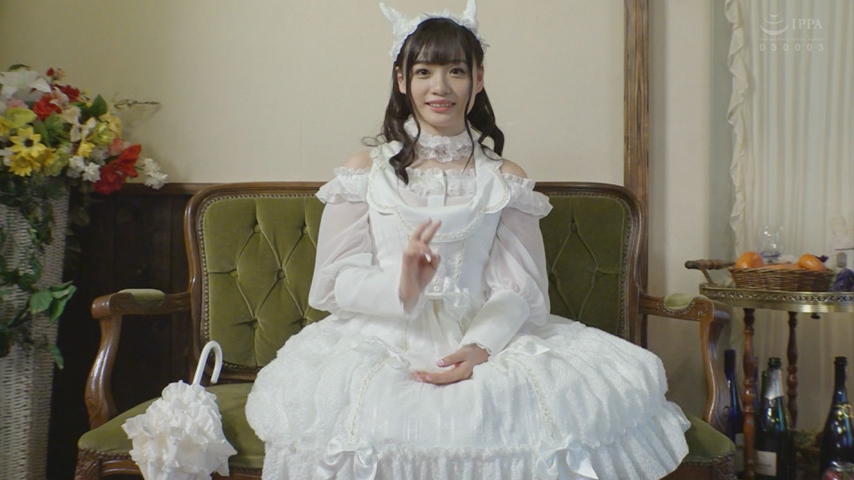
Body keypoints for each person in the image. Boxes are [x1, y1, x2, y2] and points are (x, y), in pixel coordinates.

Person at [245, 1, 689, 478]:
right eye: (423, 72)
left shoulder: (506, 178)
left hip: (485, 337)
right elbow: (335, 283)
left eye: (455, 71)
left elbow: (520, 290)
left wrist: (480, 348)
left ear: (478, 78)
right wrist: (402, 286)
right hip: (381, 337)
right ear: (401, 80)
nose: (439, 87)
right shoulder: (363, 172)